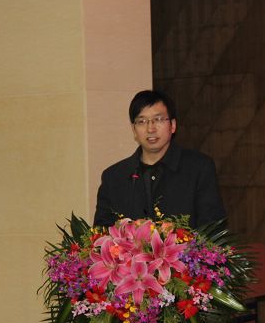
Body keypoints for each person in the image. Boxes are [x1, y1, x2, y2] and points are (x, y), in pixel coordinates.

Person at [93, 90, 226, 228]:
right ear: (134, 129)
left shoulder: (198, 168)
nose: (150, 128)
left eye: (158, 119)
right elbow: (101, 233)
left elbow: (213, 229)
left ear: (173, 125)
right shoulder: (113, 177)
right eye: (142, 121)